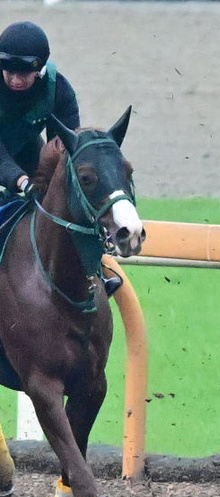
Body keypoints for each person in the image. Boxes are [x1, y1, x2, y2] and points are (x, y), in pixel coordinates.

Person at [0, 21, 122, 296]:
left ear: (40, 69)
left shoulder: (59, 90)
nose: (17, 80)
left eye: (25, 74)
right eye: (10, 72)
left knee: (66, 205)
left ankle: (96, 272)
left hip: (25, 149)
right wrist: (21, 181)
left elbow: (65, 150)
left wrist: (46, 185)